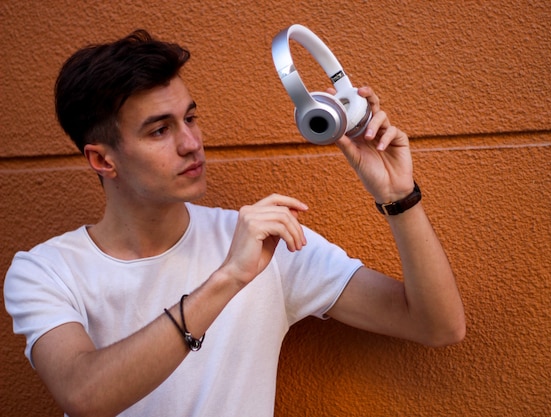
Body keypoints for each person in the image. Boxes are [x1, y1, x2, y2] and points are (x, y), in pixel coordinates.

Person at [4, 29, 465, 417]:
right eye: (160, 130)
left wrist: (398, 197)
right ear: (103, 159)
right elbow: (84, 395)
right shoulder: (46, 270)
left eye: (190, 118)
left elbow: (437, 327)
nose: (191, 143)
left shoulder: (271, 243)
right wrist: (229, 278)